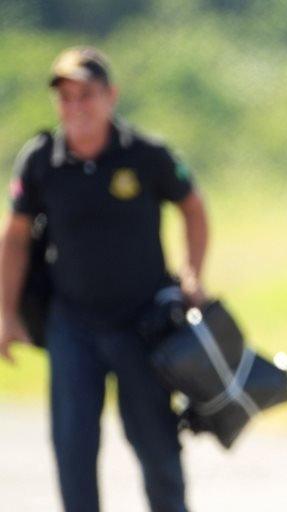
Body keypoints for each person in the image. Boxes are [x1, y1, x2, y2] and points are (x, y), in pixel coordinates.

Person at [0, 46, 208, 512]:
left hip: (142, 322)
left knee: (156, 444)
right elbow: (14, 237)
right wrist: (7, 313)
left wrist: (192, 274)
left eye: (86, 95)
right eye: (65, 97)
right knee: (73, 446)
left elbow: (193, 205)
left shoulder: (146, 155)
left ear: (110, 96)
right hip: (71, 323)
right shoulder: (40, 161)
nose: (75, 107)